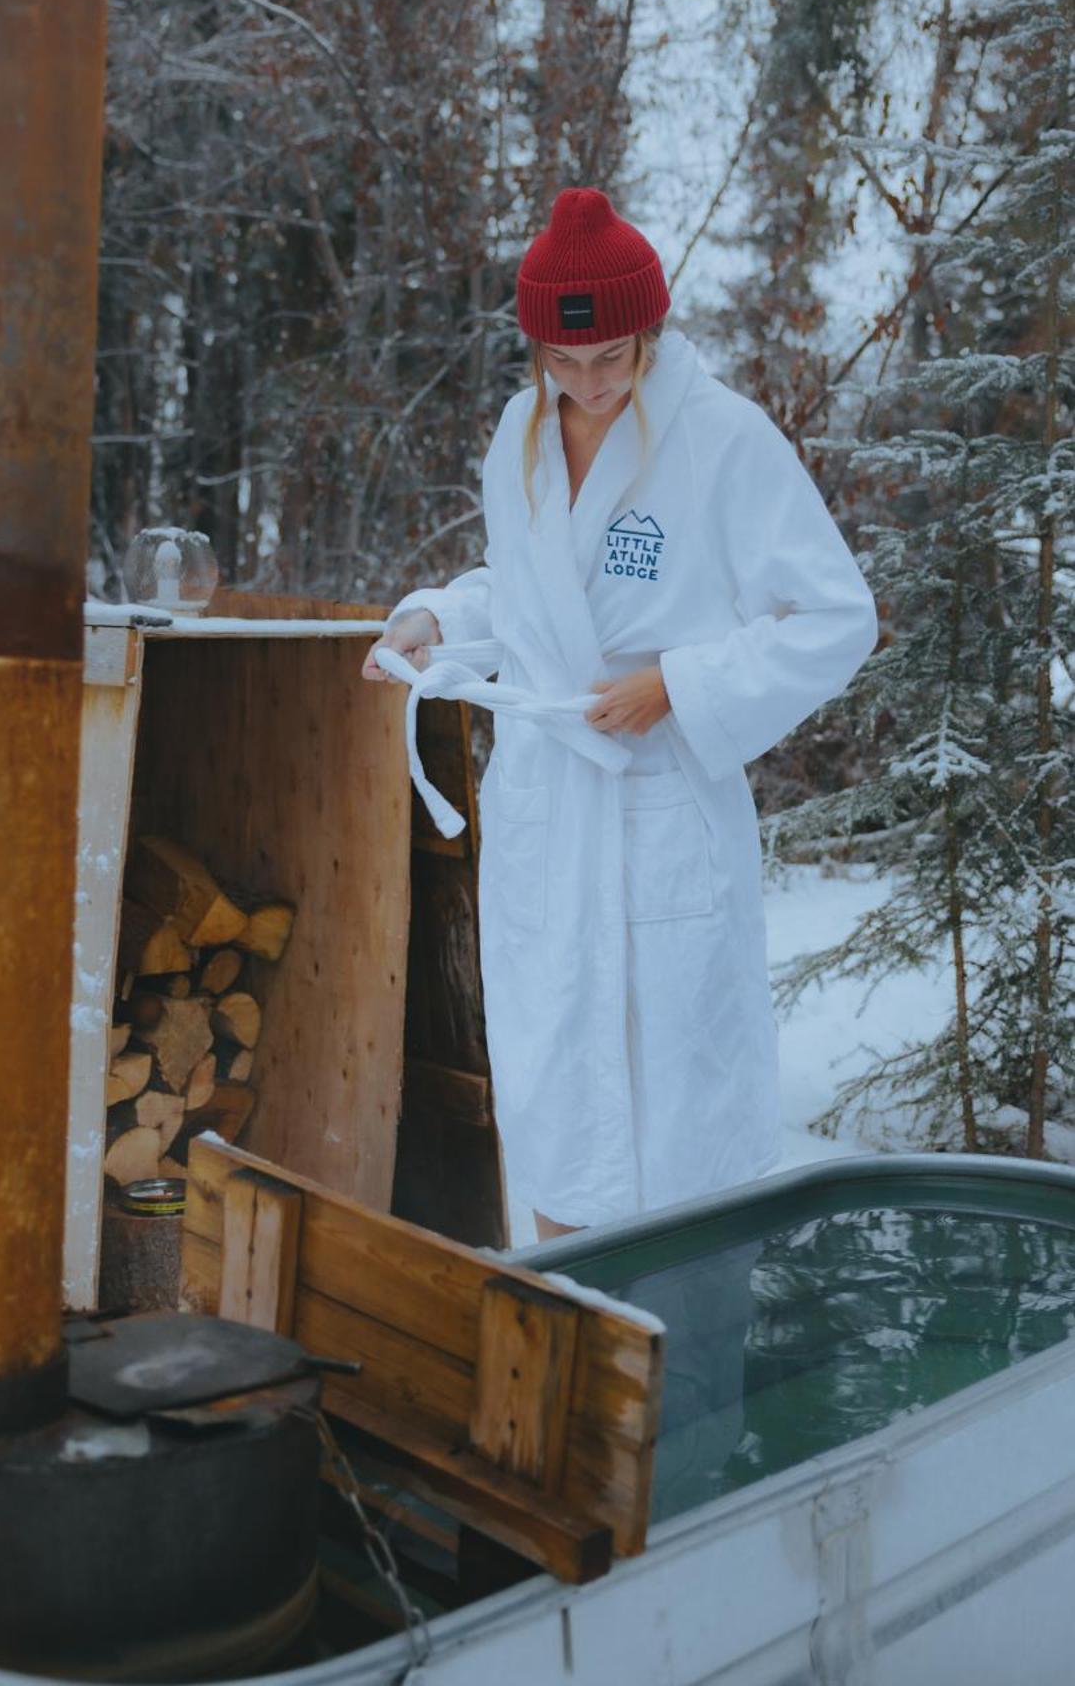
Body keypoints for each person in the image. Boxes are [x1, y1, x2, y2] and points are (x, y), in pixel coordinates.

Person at [363, 187, 879, 1243]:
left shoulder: (725, 439)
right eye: (563, 360)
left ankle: (681, 1378)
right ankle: (570, 1343)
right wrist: (435, 617)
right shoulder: (518, 435)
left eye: (613, 359)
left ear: (652, 329)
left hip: (660, 811)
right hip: (552, 811)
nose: (589, 385)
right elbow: (528, 593)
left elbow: (837, 615)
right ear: (535, 348)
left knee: (676, 1111)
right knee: (555, 1090)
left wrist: (679, 684)